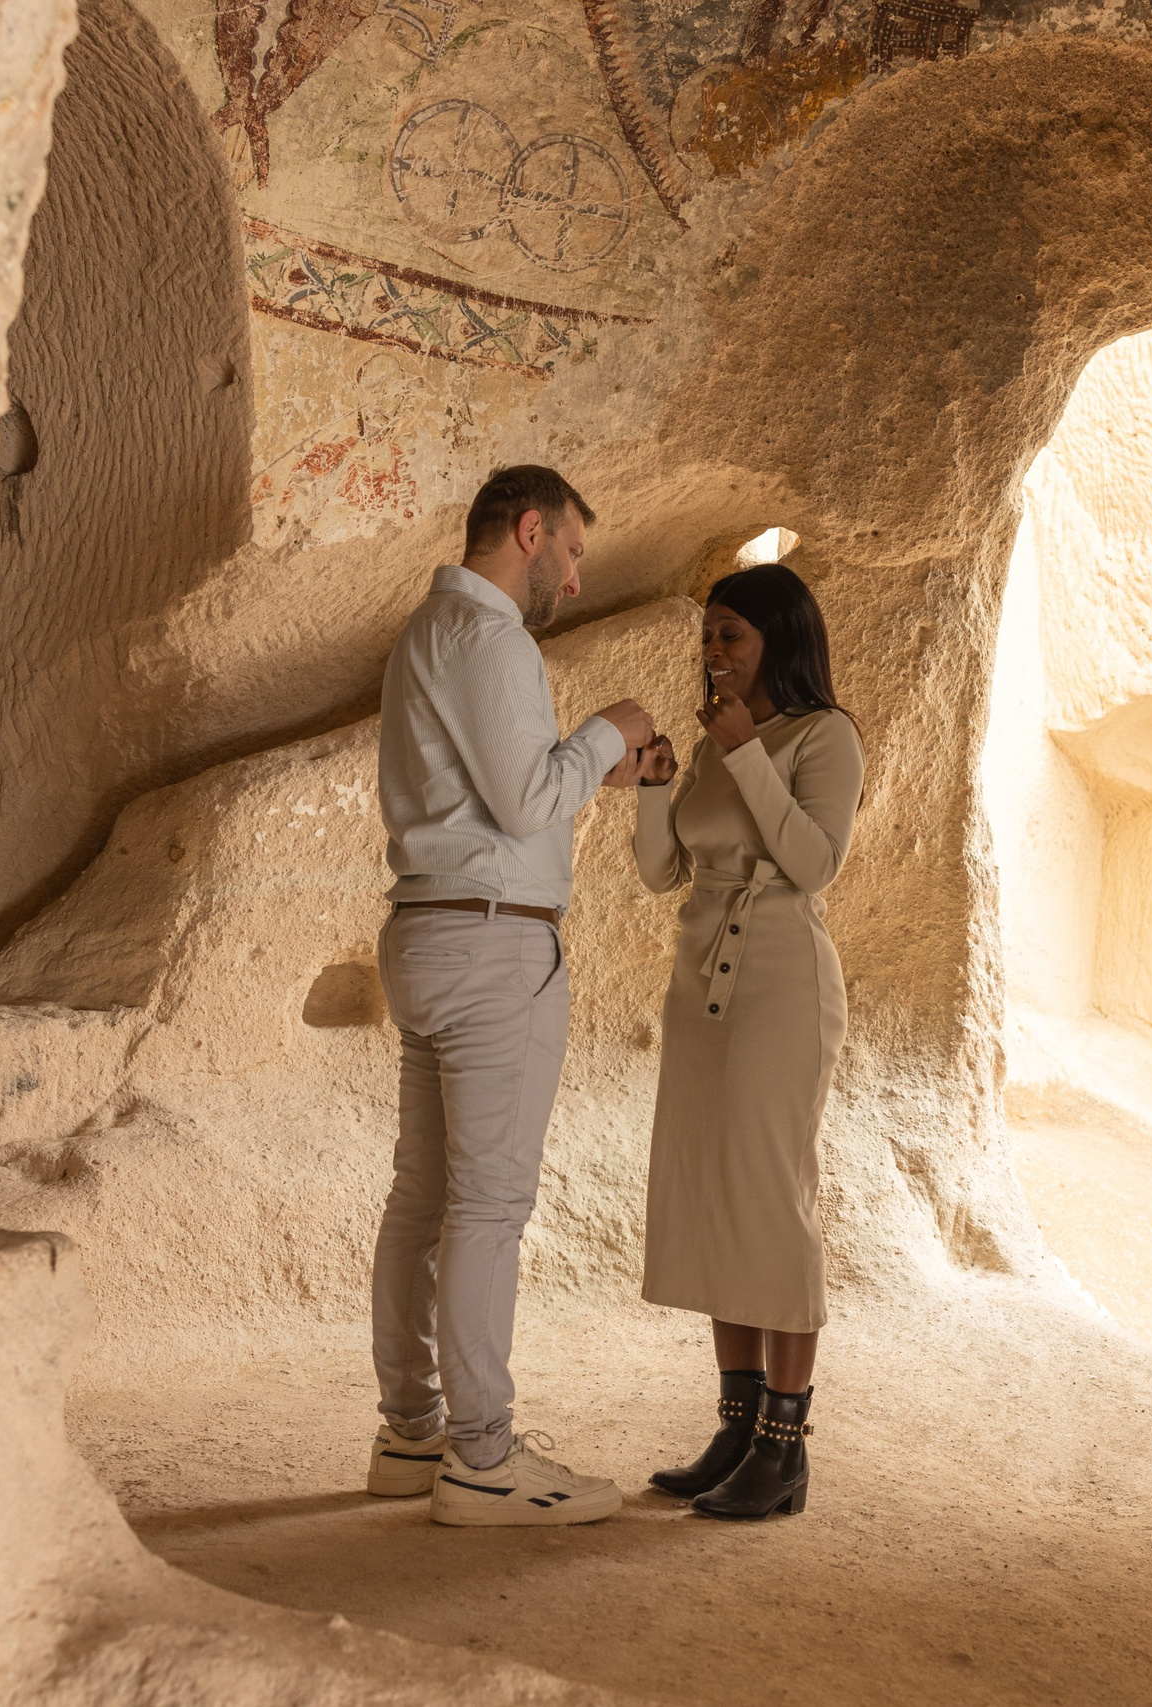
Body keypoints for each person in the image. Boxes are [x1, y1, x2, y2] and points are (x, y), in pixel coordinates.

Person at [364, 464, 656, 1527]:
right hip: (491, 949)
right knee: (486, 1208)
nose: (574, 580)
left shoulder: (422, 633)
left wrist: (586, 768)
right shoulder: (491, 638)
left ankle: (412, 1433)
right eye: (572, 552)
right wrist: (611, 730)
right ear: (529, 530)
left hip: (428, 929)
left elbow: (499, 792)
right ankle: (483, 1456)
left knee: (422, 1200)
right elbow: (529, 795)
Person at [630, 562, 864, 1521]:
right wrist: (653, 787)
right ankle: (734, 1427)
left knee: (772, 1201)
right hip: (700, 986)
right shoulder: (711, 739)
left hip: (780, 985)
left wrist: (748, 755)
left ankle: (784, 1444)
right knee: (715, 1197)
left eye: (731, 635)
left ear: (778, 637)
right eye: (709, 638)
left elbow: (814, 864)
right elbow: (660, 872)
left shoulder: (825, 736)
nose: (714, 652)